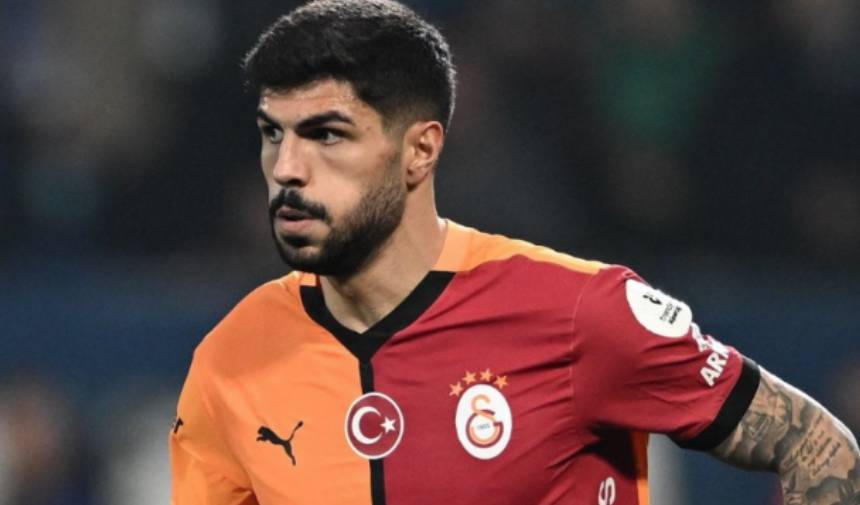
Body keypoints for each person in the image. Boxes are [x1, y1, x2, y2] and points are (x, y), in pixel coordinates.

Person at [169, 1, 860, 504]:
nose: (287, 168)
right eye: (273, 134)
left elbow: (815, 445)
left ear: (419, 151)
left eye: (326, 135)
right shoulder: (232, 361)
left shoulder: (580, 313)